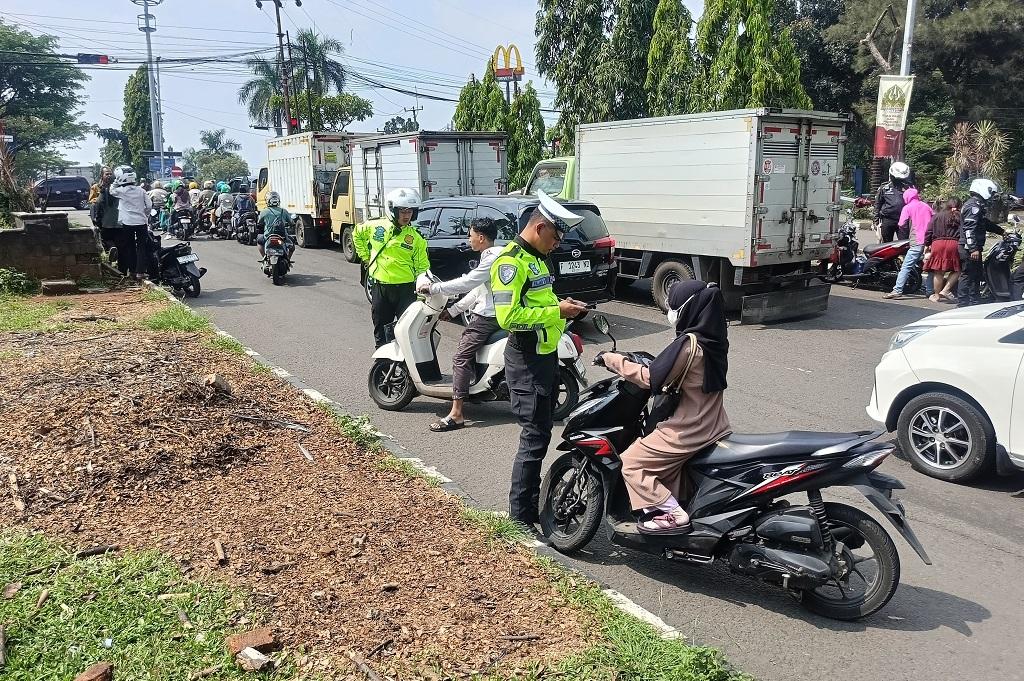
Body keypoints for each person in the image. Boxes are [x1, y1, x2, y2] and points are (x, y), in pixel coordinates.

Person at [595, 281, 731, 534]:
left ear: (689, 308)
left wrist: (613, 360)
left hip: (689, 427)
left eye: (674, 305)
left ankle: (671, 514)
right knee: (665, 466)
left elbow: (650, 379)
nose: (671, 311)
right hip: (715, 423)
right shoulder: (715, 339)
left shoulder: (690, 344)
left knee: (633, 462)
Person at [491, 190, 588, 527]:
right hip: (526, 358)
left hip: (544, 358)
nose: (558, 243)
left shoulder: (536, 259)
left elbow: (539, 303)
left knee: (543, 432)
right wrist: (555, 311)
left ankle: (530, 507)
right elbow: (508, 318)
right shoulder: (510, 262)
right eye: (556, 235)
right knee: (533, 438)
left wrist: (565, 307)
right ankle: (519, 518)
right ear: (540, 227)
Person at [415, 217, 504, 432]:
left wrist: (434, 289)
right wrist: (454, 310)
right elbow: (479, 290)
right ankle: (474, 389)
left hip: (487, 318)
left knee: (460, 357)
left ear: (481, 238)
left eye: (470, 235)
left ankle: (456, 414)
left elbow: (468, 283)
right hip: (496, 314)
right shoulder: (498, 254)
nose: (468, 239)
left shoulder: (491, 259)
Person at [353, 188, 430, 348]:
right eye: (402, 211)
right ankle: (382, 366)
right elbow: (357, 234)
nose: (406, 215)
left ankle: (406, 368)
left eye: (410, 211)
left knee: (407, 331)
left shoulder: (416, 238)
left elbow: (422, 267)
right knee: (381, 329)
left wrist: (423, 291)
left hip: (406, 290)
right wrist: (365, 256)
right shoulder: (375, 226)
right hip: (381, 288)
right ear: (392, 210)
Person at [958, 178, 1005, 307]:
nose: (991, 196)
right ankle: (963, 303)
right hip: (969, 248)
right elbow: (969, 229)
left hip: (973, 247)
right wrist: (973, 248)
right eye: (991, 192)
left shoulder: (977, 205)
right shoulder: (973, 206)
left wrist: (1002, 231)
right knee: (968, 275)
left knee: (976, 275)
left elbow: (985, 224)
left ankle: (974, 300)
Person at [883, 187, 933, 300]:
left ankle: (897, 290)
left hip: (916, 241)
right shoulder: (926, 206)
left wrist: (904, 236)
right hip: (930, 242)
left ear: (907, 197)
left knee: (906, 267)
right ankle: (930, 291)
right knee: (929, 267)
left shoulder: (907, 208)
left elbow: (901, 224)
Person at [108, 165, 150, 280]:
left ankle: (132, 271)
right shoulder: (141, 191)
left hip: (127, 223)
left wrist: (116, 181)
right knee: (141, 247)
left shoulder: (122, 191)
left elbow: (111, 190)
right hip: (141, 222)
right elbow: (149, 206)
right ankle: (140, 273)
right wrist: (144, 215)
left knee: (130, 247)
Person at [923, 198, 962, 303]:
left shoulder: (937, 216)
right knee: (958, 269)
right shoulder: (961, 217)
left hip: (937, 244)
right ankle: (946, 290)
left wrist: (927, 244)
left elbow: (928, 231)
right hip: (954, 244)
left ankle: (936, 296)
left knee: (938, 272)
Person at [874, 161, 913, 243]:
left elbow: (914, 204)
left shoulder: (909, 188)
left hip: (903, 220)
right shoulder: (884, 188)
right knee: (886, 245)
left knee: (904, 244)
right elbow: (877, 204)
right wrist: (876, 221)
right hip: (887, 220)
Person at [90, 167, 119, 256]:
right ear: (102, 176)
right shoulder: (96, 187)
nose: (109, 175)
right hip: (103, 214)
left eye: (110, 174)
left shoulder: (117, 187)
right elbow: (92, 201)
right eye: (107, 174)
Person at [256, 191, 293, 257]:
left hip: (268, 236)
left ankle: (264, 257)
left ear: (268, 201)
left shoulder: (264, 211)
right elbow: (292, 223)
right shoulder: (284, 211)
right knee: (292, 246)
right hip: (283, 236)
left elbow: (259, 223)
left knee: (259, 242)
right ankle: (288, 259)